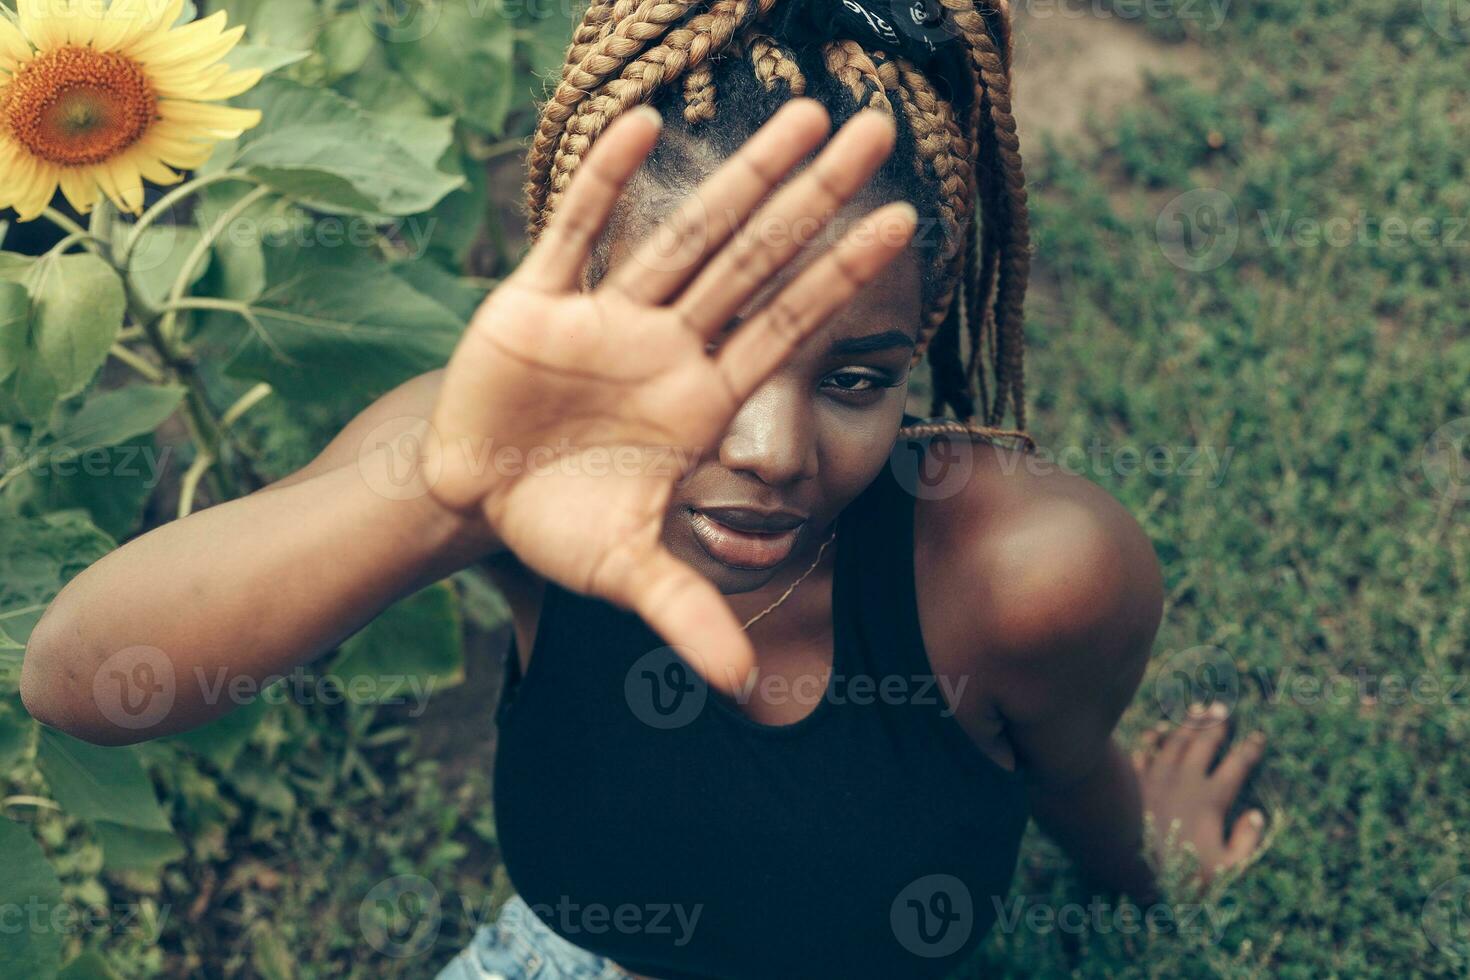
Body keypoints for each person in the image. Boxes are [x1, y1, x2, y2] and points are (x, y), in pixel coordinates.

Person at [20, 1, 1268, 977]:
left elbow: (1065, 763)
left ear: (923, 336)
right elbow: (79, 678)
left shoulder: (1028, 568)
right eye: (702, 353)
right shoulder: (499, 478)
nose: (774, 448)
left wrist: (1152, 860)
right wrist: (451, 491)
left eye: (854, 376)